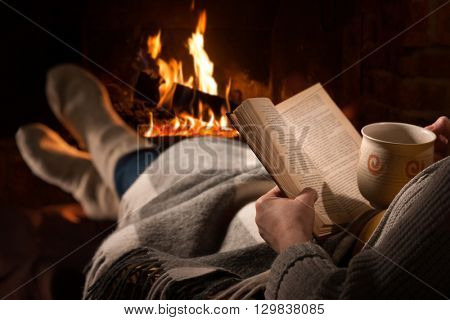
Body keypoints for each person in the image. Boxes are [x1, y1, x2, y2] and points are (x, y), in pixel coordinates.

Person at [16, 65, 449, 299]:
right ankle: (105, 177)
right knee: (236, 165)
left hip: (320, 242)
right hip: (358, 221)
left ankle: (112, 152)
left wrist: (292, 240)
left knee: (200, 174)